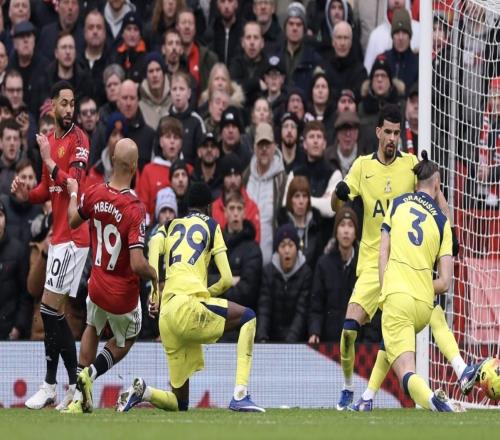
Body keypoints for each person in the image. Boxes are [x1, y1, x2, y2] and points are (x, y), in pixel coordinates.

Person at [331, 105, 472, 411]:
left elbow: (436, 195)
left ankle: (371, 397)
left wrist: (450, 232)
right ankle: (348, 387)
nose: (393, 138)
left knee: (409, 322)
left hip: (403, 263)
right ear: (378, 132)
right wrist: (338, 194)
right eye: (388, 132)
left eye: (397, 133)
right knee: (349, 329)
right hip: (372, 264)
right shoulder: (362, 166)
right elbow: (338, 202)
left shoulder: (410, 164)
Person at [116, 181, 265, 413]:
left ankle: (144, 392)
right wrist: (207, 294)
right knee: (248, 317)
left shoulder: (168, 226)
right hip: (189, 306)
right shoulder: (212, 225)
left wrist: (155, 294)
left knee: (180, 403)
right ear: (209, 207)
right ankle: (240, 394)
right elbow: (226, 279)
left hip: (166, 316)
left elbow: (153, 248)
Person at [63, 138, 158, 414]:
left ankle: (78, 398)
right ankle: (90, 374)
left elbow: (73, 221)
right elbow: (138, 264)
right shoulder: (135, 208)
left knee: (92, 327)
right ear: (135, 166)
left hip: (96, 284)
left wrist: (73, 193)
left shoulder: (94, 193)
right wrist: (155, 273)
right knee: (128, 337)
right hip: (122, 295)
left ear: (113, 161)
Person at [11, 81, 90, 410]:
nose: (69, 109)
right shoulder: (51, 141)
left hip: (74, 236)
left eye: (72, 103)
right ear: (53, 107)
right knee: (51, 312)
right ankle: (68, 386)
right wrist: (26, 195)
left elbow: (74, 184)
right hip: (57, 237)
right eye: (64, 103)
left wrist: (47, 159)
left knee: (49, 310)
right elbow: (47, 189)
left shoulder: (79, 140)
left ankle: (58, 385)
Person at [377, 155, 459, 411]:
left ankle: (434, 400)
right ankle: (461, 368)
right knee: (434, 317)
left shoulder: (397, 204)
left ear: (415, 185)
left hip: (397, 296)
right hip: (424, 305)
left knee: (405, 370)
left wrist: (385, 288)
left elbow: (383, 251)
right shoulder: (442, 223)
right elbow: (445, 282)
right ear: (437, 185)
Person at [308, 206, 358, 343]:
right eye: (342, 225)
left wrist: (368, 341)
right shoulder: (323, 264)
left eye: (350, 225)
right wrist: (314, 332)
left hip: (357, 343)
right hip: (329, 342)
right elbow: (316, 306)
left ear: (356, 233)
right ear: (336, 231)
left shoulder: (363, 265)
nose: (346, 230)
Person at [256, 223, 312, 342]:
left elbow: (301, 312)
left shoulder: (306, 273)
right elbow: (264, 308)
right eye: (282, 246)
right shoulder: (268, 272)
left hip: (297, 342)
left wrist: (289, 342)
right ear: (277, 250)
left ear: (297, 248)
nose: (287, 250)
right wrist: (262, 338)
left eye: (291, 245)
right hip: (271, 339)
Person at [244, 122, 286, 264]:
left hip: (272, 261)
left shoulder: (282, 179)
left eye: (267, 145)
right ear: (254, 147)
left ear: (274, 147)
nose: (263, 149)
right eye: (260, 145)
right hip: (247, 259)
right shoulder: (246, 176)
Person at [0, 199, 32, 340]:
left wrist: (18, 327)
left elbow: (25, 294)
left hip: (10, 331)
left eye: (0, 215)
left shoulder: (18, 250)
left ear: (5, 220)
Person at [211, 153, 261, 242]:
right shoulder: (214, 208)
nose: (233, 180)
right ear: (223, 179)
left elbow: (256, 241)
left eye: (236, 175)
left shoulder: (252, 207)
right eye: (229, 176)